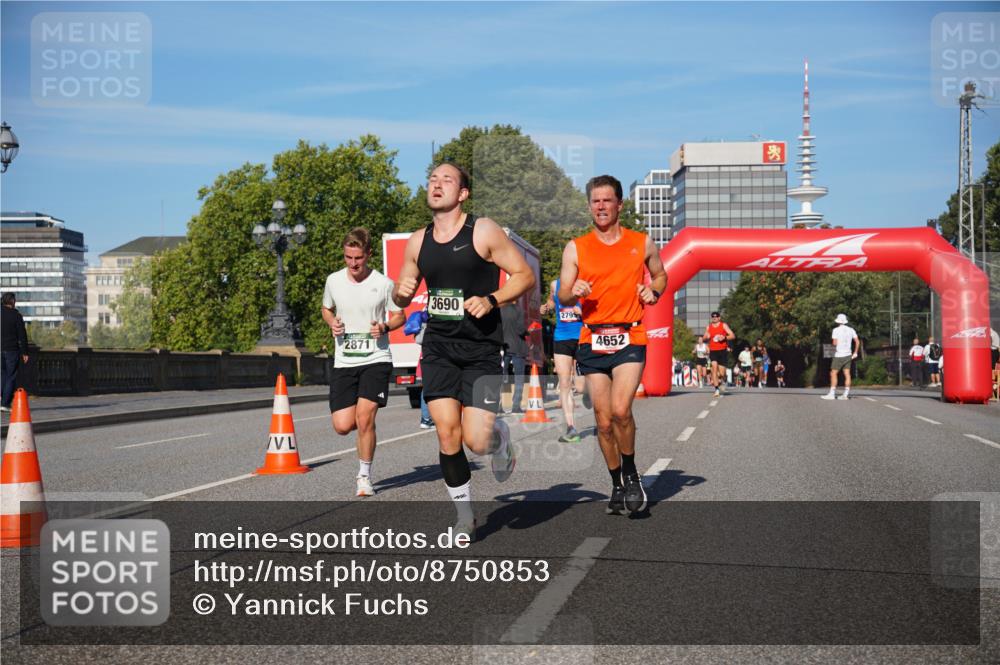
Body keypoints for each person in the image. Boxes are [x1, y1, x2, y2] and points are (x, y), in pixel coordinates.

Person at [393, 162, 534, 539]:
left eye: (447, 180)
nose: (437, 185)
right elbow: (401, 290)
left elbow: (524, 276)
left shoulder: (482, 230)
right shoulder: (417, 241)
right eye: (432, 180)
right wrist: (400, 293)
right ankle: (464, 515)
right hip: (438, 346)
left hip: (482, 349)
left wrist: (491, 299)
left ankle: (499, 436)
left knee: (476, 440)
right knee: (447, 435)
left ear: (463, 193)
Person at [558, 174, 667, 516]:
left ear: (620, 204)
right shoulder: (576, 247)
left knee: (622, 411)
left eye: (607, 200)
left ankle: (632, 474)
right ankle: (617, 482)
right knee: (603, 422)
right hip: (592, 338)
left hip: (630, 336)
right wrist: (571, 291)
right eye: (595, 201)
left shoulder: (641, 242)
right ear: (590, 206)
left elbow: (660, 274)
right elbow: (561, 292)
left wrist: (655, 291)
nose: (601, 206)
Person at [322, 229, 406, 497]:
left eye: (358, 258)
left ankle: (364, 476)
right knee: (343, 425)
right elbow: (327, 308)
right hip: (344, 360)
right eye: (348, 257)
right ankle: (364, 428)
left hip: (376, 358)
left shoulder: (383, 283)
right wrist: (331, 322)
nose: (353, 263)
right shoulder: (334, 281)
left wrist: (384, 326)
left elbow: (399, 316)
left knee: (364, 417)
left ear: (368, 254)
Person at [541, 279, 586, 442]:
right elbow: (552, 301)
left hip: (582, 336)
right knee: (565, 383)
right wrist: (546, 307)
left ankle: (588, 392)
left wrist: (582, 311)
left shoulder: (585, 283)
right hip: (561, 337)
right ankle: (571, 427)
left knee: (580, 387)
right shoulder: (555, 284)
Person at [1, 293, 29, 412]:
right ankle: (5, 403)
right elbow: (22, 335)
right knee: (11, 376)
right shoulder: (16, 315)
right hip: (11, 350)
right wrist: (25, 352)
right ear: (12, 301)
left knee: (2, 374)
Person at [823, 313, 859, 400]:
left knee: (833, 373)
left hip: (838, 355)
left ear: (838, 321)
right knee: (847, 374)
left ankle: (832, 394)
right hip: (848, 354)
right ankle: (845, 394)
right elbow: (857, 341)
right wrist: (855, 352)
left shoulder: (835, 330)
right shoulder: (851, 330)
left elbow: (834, 343)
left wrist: (829, 351)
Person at [500, 300, 528, 415]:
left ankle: (498, 405)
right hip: (518, 347)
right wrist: (528, 332)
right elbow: (520, 329)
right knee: (519, 377)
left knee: (500, 376)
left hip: (503, 347)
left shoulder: (500, 310)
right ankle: (516, 405)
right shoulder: (518, 310)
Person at [704, 312, 735, 398]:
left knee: (721, 373)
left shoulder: (723, 325)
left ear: (719, 318)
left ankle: (721, 379)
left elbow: (732, 335)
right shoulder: (708, 327)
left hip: (722, 351)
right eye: (713, 317)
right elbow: (704, 338)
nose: (714, 318)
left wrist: (724, 337)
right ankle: (716, 389)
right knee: (714, 368)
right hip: (713, 351)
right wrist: (706, 336)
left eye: (716, 316)